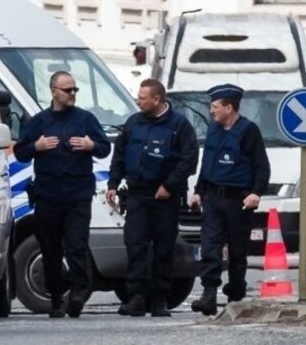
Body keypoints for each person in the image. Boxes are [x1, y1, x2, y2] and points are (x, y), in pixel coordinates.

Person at [13, 71, 111, 318]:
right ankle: (57, 296)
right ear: (54, 91)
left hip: (78, 193)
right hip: (48, 195)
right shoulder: (39, 122)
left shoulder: (85, 119)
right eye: (68, 90)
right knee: (50, 249)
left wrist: (91, 146)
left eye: (75, 90)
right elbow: (20, 151)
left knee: (77, 245)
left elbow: (104, 147)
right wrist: (36, 147)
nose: (72, 94)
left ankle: (78, 292)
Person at [106, 79, 198, 318]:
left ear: (157, 100)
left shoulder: (179, 125)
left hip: (164, 197)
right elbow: (120, 154)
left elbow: (188, 160)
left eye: (142, 97)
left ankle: (159, 298)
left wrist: (169, 185)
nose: (138, 100)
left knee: (163, 248)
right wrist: (113, 183)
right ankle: (136, 297)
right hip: (137, 194)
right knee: (135, 244)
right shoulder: (134, 123)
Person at [189, 83, 270, 316]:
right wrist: (199, 190)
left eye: (215, 106)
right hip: (213, 196)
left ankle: (236, 292)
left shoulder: (248, 130)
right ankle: (209, 294)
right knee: (210, 246)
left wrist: (256, 192)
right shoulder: (213, 129)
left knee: (237, 250)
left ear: (229, 107)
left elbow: (261, 165)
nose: (211, 111)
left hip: (238, 200)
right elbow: (207, 163)